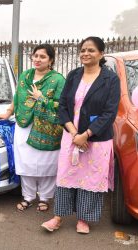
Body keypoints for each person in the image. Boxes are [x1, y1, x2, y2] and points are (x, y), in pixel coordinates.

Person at [41, 37, 120, 234]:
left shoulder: (110, 79)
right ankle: (58, 217)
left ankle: (83, 219)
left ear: (101, 54)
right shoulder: (74, 75)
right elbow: (64, 106)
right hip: (71, 135)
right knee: (67, 174)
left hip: (97, 139)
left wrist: (87, 135)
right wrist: (75, 133)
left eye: (91, 50)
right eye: (83, 50)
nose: (85, 53)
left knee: (90, 178)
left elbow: (110, 113)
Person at [0, 44, 65, 212]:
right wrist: (8, 112)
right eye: (35, 56)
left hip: (47, 127)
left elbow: (62, 105)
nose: (37, 59)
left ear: (51, 60)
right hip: (24, 125)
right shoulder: (26, 76)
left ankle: (46, 198)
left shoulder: (58, 79)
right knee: (26, 163)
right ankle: (28, 196)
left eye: (42, 56)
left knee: (47, 163)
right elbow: (17, 97)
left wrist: (41, 99)